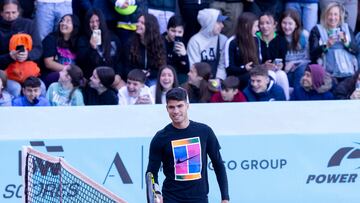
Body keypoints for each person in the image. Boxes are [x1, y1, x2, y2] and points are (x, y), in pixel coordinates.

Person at [146, 87, 230, 203]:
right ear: (167, 108)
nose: (175, 111)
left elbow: (218, 165)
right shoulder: (160, 138)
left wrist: (225, 197)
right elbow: (151, 173)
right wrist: (157, 194)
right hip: (171, 199)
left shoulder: (204, 132)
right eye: (171, 107)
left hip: (199, 199)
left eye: (180, 106)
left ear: (187, 106)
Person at [0, 0, 42, 97]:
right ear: (1, 13)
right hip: (5, 73)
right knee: (15, 88)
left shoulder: (29, 24)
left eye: (13, 12)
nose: (10, 16)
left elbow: (38, 49)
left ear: (18, 12)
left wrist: (28, 55)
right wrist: (9, 56)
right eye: (7, 12)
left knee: (41, 87)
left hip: (27, 70)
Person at [309, 2, 359, 82]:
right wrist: (326, 45)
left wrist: (346, 42)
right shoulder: (317, 30)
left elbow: (356, 50)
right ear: (325, 16)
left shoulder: (346, 28)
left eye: (336, 14)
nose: (333, 18)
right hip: (328, 74)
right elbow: (312, 54)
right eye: (330, 14)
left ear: (340, 16)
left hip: (347, 72)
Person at [76, 9, 124, 89]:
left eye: (97, 21)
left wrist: (118, 75)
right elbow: (82, 63)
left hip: (111, 77)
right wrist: (92, 48)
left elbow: (120, 60)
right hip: (93, 79)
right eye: (91, 22)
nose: (95, 24)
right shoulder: (83, 40)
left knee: (124, 89)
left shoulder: (113, 37)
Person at [122, 13, 166, 85]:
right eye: (138, 21)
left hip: (153, 78)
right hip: (135, 78)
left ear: (150, 26)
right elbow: (126, 67)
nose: (138, 24)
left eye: (142, 23)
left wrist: (150, 73)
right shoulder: (130, 43)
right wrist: (138, 73)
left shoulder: (159, 43)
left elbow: (162, 67)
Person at [256, 12, 290, 100]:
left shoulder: (281, 40)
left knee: (281, 75)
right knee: (271, 75)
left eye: (268, 23)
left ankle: (286, 101)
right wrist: (263, 66)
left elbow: (283, 61)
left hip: (276, 70)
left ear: (274, 24)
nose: (264, 26)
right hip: (260, 72)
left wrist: (281, 66)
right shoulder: (255, 39)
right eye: (261, 23)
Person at [187, 8, 228, 80]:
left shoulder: (223, 39)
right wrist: (204, 84)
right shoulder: (195, 41)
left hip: (218, 82)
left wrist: (218, 80)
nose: (222, 25)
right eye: (219, 22)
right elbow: (194, 68)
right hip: (199, 82)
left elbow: (222, 65)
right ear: (209, 23)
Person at [42, 14, 81, 87]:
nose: (63, 23)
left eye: (68, 21)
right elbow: (48, 63)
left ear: (74, 26)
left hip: (72, 75)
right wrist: (70, 70)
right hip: (54, 74)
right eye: (62, 21)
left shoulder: (78, 41)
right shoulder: (51, 39)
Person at [224, 12, 259, 90]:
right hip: (236, 77)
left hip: (253, 73)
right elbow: (229, 68)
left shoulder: (256, 39)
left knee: (270, 76)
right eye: (256, 26)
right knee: (250, 79)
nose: (258, 29)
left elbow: (258, 61)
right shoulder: (231, 42)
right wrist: (244, 68)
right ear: (246, 26)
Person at [279, 9, 310, 88]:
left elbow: (309, 58)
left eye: (290, 24)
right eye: (284, 23)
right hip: (285, 68)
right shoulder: (278, 37)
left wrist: (294, 63)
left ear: (296, 25)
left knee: (300, 71)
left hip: (301, 65)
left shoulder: (304, 35)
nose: (286, 27)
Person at [163, 15, 189, 84]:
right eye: (173, 31)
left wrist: (184, 55)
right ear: (167, 29)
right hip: (163, 74)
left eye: (179, 32)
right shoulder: (160, 41)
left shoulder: (182, 43)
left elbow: (186, 69)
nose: (176, 34)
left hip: (177, 75)